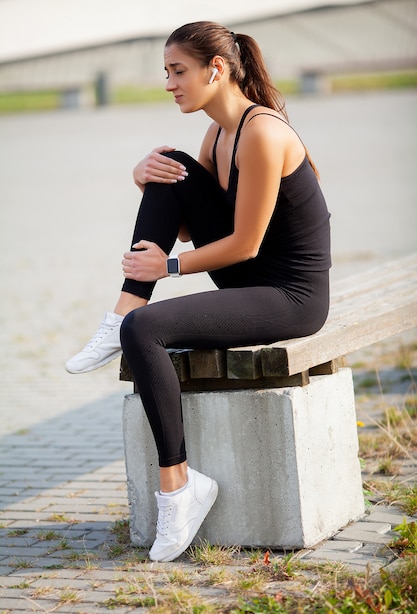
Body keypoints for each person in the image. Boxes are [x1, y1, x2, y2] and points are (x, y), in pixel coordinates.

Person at [66, 21, 331, 562]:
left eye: (178, 71)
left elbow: (245, 244)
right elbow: (191, 223)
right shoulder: (217, 133)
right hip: (250, 279)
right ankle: (118, 316)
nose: (169, 84)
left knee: (148, 330)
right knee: (170, 167)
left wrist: (167, 266)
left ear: (217, 69)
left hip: (289, 294)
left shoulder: (262, 132)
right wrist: (143, 179)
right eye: (166, 73)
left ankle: (179, 489)